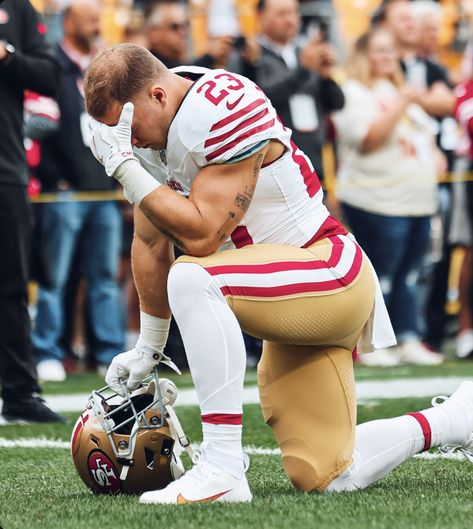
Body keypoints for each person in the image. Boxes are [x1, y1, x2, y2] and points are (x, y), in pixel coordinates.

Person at [84, 43, 473, 505]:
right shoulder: (152, 135)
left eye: (124, 126)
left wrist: (125, 167)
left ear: (158, 96)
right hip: (280, 297)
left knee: (194, 276)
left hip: (327, 271)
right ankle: (457, 417)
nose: (123, 140)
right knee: (327, 473)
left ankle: (223, 467)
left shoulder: (221, 106)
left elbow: (205, 235)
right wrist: (148, 346)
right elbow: (150, 242)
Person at [332, 27, 444, 366]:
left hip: (415, 200)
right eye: (378, 50)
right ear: (363, 55)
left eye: (391, 51)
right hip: (376, 199)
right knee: (380, 274)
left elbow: (426, 132)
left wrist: (434, 152)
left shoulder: (397, 90)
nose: (386, 57)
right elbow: (368, 139)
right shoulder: (351, 92)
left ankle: (407, 335)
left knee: (408, 275)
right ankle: (371, 344)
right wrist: (402, 103)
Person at [31, 0, 125, 382]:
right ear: (68, 23)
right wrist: (57, 177)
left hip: (101, 190)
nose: (95, 27)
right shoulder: (51, 65)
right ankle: (47, 350)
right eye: (88, 21)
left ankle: (108, 352)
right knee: (54, 277)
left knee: (105, 276)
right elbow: (44, 122)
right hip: (63, 192)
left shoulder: (101, 69)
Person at [0, 0, 65, 422]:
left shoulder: (17, 8)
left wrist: (6, 55)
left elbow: (50, 75)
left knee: (10, 285)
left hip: (4, 166)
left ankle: (20, 393)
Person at [232, 0, 344, 180]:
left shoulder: (306, 52)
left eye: (293, 13)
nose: (290, 20)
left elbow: (337, 103)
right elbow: (253, 105)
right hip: (271, 167)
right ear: (260, 17)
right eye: (281, 14)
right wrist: (303, 71)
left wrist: (325, 77)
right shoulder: (248, 56)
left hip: (314, 162)